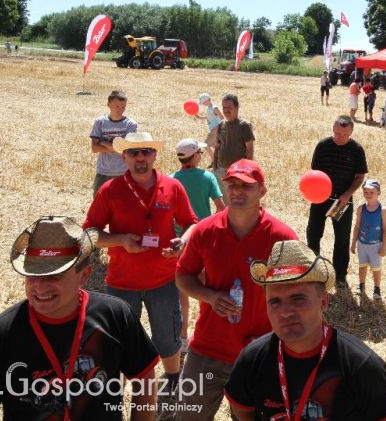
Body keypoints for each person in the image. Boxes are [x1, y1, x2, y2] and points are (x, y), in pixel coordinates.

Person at [0, 216, 159, 420]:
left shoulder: (116, 316)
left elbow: (145, 381)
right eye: (32, 274)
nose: (40, 287)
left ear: (84, 275)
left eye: (54, 275)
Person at [174, 159, 298, 420]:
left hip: (259, 352)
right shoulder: (205, 231)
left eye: (246, 186)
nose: (238, 191)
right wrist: (210, 296)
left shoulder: (282, 237)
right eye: (232, 185)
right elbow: (183, 276)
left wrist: (272, 338)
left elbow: (295, 293)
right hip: (208, 350)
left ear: (262, 191)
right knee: (188, 416)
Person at [225, 240, 386, 420]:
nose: (285, 312)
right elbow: (242, 412)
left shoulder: (362, 366)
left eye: (298, 298)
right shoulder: (251, 360)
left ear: (323, 302)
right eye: (275, 301)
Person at [84, 132, 198, 395]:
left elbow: (191, 222)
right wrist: (121, 240)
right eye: (134, 153)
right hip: (122, 284)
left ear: (155, 155)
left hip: (165, 281)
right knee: (118, 343)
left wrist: (183, 241)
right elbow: (90, 233)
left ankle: (171, 385)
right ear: (123, 156)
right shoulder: (110, 190)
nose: (140, 158)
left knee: (168, 338)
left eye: (146, 151)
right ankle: (113, 398)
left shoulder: (172, 187)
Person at [171, 138, 225, 354]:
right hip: (204, 239)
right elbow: (221, 208)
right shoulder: (207, 177)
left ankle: (183, 336)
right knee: (206, 289)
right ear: (194, 157)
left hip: (179, 239)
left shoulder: (171, 180)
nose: (202, 156)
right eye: (200, 154)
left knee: (182, 289)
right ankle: (207, 333)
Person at [306, 115, 368, 288]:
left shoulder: (356, 150)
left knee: (341, 239)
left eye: (344, 134)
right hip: (320, 199)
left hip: (341, 202)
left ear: (351, 133)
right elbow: (315, 173)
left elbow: (360, 175)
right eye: (337, 133)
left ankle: (340, 275)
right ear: (333, 129)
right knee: (313, 233)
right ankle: (313, 269)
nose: (339, 137)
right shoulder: (323, 146)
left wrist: (348, 194)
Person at [90, 90, 138, 196]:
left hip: (124, 172)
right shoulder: (100, 122)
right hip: (103, 171)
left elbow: (126, 149)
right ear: (108, 104)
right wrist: (116, 148)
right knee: (100, 205)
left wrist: (103, 142)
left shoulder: (130, 124)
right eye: (117, 106)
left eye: (123, 107)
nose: (120, 110)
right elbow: (94, 148)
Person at [350, 178, 386, 300]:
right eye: (366, 192)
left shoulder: (382, 210)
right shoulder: (361, 208)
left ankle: (377, 289)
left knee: (376, 268)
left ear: (379, 193)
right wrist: (353, 243)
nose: (368, 195)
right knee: (362, 265)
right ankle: (361, 285)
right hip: (362, 244)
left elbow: (385, 229)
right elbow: (356, 227)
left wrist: (383, 247)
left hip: (376, 245)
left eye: (372, 192)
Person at [213, 93, 255, 205]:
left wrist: (246, 171)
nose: (226, 110)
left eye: (229, 107)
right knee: (226, 201)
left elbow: (250, 150)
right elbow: (217, 145)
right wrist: (214, 166)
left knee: (238, 202)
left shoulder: (244, 126)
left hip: (237, 172)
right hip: (221, 170)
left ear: (237, 108)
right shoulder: (221, 124)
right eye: (224, 107)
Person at [195, 93, 224, 168]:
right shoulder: (209, 108)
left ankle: (215, 162)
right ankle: (218, 162)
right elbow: (208, 117)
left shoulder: (215, 108)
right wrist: (199, 117)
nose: (203, 104)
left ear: (208, 100)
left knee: (206, 145)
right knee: (216, 147)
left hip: (216, 130)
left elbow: (223, 118)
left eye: (204, 102)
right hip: (213, 130)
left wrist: (217, 128)